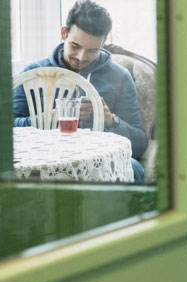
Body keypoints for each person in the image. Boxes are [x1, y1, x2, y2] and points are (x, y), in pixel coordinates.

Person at [12, 0, 149, 182]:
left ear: (104, 42)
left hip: (100, 159)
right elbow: (8, 127)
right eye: (75, 46)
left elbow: (139, 145)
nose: (81, 57)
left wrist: (111, 120)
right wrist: (47, 119)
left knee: (133, 167)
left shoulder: (120, 77)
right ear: (64, 33)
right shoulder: (33, 75)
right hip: (47, 158)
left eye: (92, 50)